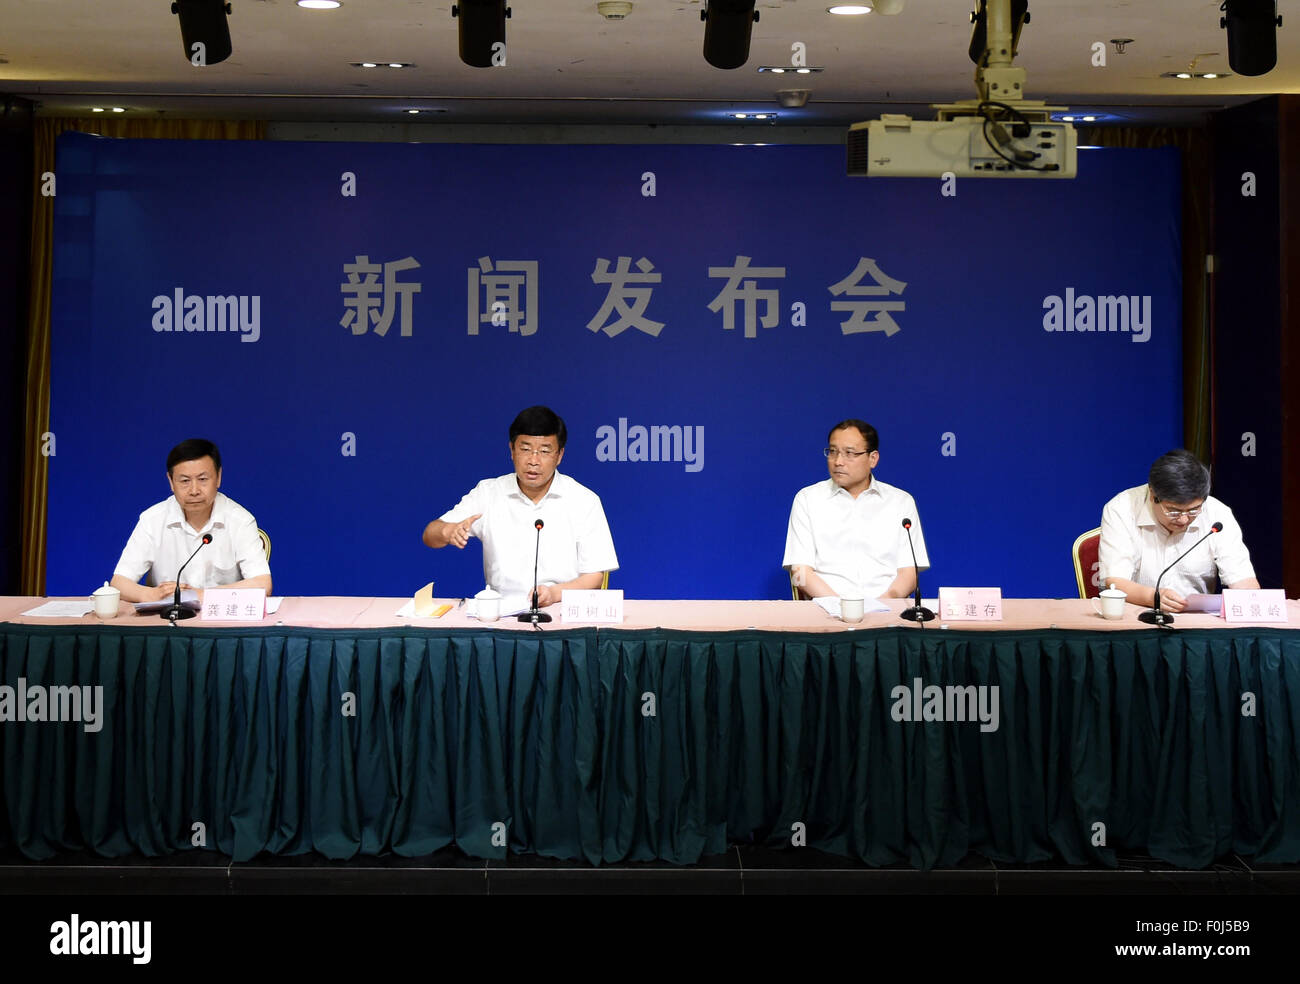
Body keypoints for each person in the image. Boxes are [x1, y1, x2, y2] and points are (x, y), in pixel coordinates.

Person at [423, 406, 618, 606]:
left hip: (561, 612)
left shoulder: (583, 500)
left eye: (544, 451)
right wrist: (448, 531)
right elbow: (430, 535)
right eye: (525, 449)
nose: (533, 461)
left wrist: (553, 594)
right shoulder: (489, 493)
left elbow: (595, 576)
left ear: (559, 456)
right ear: (512, 451)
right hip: (501, 616)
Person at [111, 439, 272, 603]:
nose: (194, 491)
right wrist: (151, 595)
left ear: (218, 477)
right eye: (185, 481)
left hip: (221, 622)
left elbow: (262, 584)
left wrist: (202, 595)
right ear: (171, 481)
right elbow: (119, 584)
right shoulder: (152, 520)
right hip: (166, 622)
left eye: (202, 479)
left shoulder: (240, 521)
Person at [783, 418, 928, 601]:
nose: (838, 461)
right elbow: (800, 571)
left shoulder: (901, 502)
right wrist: (841, 607)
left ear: (872, 459)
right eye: (832, 452)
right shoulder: (807, 499)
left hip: (889, 612)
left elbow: (909, 572)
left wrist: (885, 605)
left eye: (849, 453)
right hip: (827, 612)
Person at [1099, 448, 1258, 612]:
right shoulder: (1122, 508)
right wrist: (1152, 597)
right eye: (1173, 511)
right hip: (1136, 618)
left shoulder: (1217, 514)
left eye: (1193, 510)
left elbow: (1243, 581)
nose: (1183, 520)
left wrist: (1250, 601)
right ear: (1153, 494)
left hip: (1196, 623)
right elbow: (1114, 581)